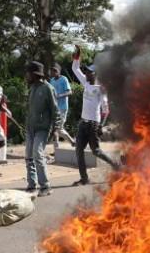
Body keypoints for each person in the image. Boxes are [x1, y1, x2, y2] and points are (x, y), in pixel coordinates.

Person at [71, 47, 119, 185]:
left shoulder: (101, 89)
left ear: (95, 74)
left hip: (93, 124)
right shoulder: (85, 83)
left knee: (96, 151)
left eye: (89, 72)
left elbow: (106, 110)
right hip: (83, 123)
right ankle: (84, 178)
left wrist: (101, 126)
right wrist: (77, 57)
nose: (86, 73)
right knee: (78, 150)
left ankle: (116, 164)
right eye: (86, 71)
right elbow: (75, 69)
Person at [24, 61, 58, 196]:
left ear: (34, 74)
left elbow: (55, 110)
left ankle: (45, 186)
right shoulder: (32, 88)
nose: (26, 75)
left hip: (43, 129)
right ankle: (32, 185)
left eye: (28, 73)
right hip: (30, 128)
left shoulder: (48, 88)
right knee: (28, 156)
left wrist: (56, 128)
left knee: (38, 154)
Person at [48, 63, 75, 156]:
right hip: (54, 108)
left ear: (59, 71)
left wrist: (60, 95)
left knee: (58, 128)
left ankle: (72, 142)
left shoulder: (64, 79)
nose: (53, 72)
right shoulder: (51, 80)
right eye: (52, 71)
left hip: (62, 108)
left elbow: (70, 92)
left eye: (55, 70)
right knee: (55, 129)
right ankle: (56, 150)